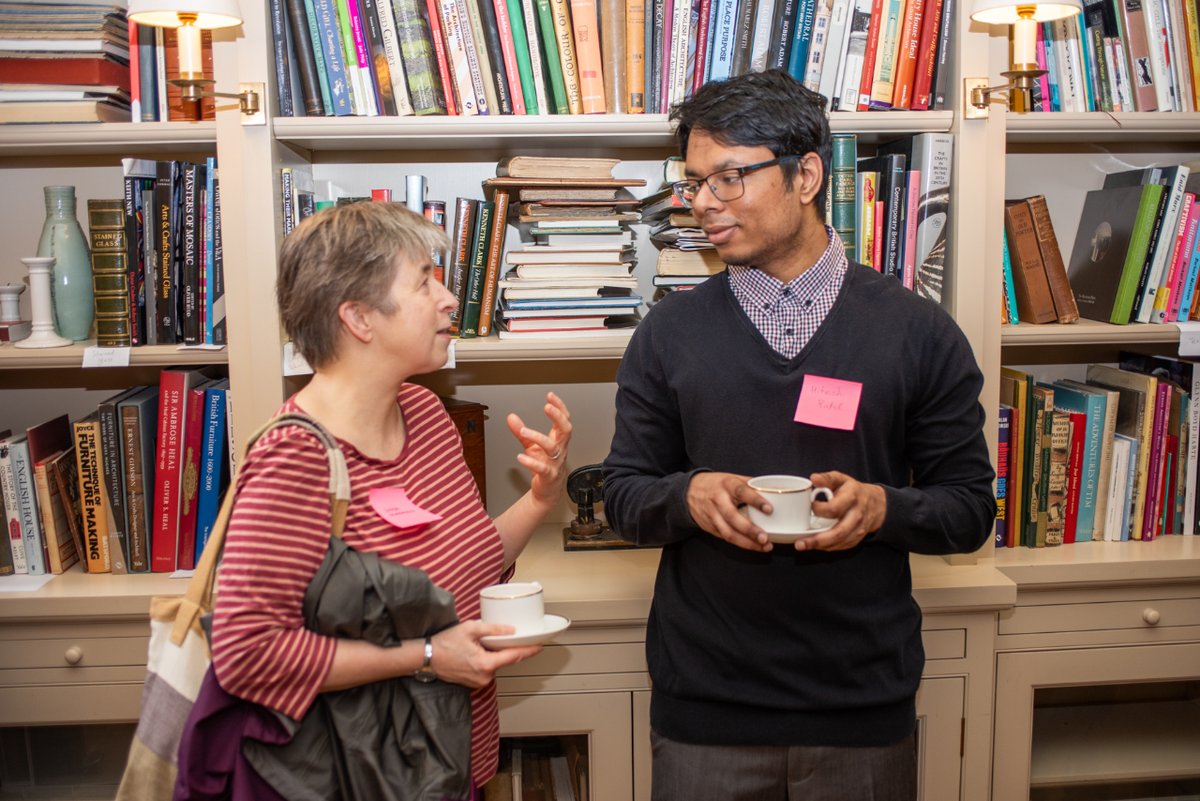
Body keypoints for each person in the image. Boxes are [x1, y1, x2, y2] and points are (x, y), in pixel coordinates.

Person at [602, 70, 995, 801]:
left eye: (728, 179)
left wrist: (883, 509)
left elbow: (969, 508)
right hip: (706, 713)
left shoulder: (918, 333)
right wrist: (690, 496)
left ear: (807, 175)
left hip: (861, 711)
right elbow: (621, 494)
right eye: (693, 183)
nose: (702, 205)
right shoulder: (669, 334)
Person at [210, 201, 572, 797]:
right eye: (425, 280)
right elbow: (248, 655)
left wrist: (540, 497)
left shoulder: (427, 414)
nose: (451, 297)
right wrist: (426, 655)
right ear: (358, 318)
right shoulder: (294, 459)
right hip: (361, 777)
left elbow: (466, 569)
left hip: (452, 763)